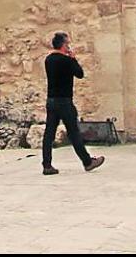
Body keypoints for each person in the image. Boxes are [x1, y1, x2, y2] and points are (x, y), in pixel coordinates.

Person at [41, 31, 105, 175]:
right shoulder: (67, 61)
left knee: (49, 133)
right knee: (74, 132)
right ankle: (87, 162)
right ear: (64, 45)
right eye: (67, 43)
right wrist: (73, 58)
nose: (69, 46)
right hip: (64, 100)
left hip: (51, 100)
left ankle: (46, 164)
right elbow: (80, 74)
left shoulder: (48, 60)